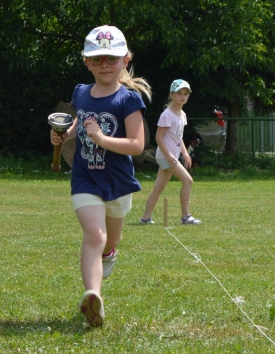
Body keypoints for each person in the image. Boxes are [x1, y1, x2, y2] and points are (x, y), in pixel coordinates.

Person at [50, 25, 151, 327]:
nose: (104, 64)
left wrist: (103, 140)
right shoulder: (81, 93)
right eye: (97, 59)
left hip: (118, 183)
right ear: (86, 62)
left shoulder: (128, 100)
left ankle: (109, 254)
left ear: (125, 60)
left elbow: (137, 145)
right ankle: (93, 296)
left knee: (110, 240)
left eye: (111, 58)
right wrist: (63, 134)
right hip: (85, 178)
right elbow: (79, 120)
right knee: (95, 234)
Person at [140, 79, 201, 226]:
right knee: (188, 180)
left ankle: (145, 218)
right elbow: (158, 138)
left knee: (158, 188)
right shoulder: (167, 115)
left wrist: (185, 153)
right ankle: (186, 216)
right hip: (165, 156)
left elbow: (178, 138)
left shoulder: (182, 115)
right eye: (179, 93)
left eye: (185, 94)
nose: (183, 96)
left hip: (170, 156)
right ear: (171, 95)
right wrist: (169, 155)